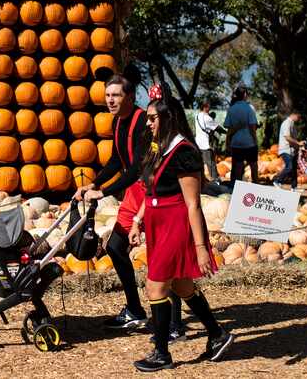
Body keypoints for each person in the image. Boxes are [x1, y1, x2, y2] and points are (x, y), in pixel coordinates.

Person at [129, 83, 233, 372]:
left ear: (169, 118)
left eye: (152, 118)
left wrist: (201, 248)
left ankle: (162, 353)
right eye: (148, 118)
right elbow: (149, 190)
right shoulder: (155, 147)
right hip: (156, 223)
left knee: (155, 285)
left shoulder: (183, 152)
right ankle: (218, 334)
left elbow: (193, 204)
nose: (147, 123)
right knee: (181, 285)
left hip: (175, 223)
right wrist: (138, 220)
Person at [75, 74, 185, 340]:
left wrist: (103, 192)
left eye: (116, 95)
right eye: (108, 95)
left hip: (154, 191)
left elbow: (137, 167)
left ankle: (175, 322)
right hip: (134, 192)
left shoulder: (141, 123)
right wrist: (93, 185)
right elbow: (116, 160)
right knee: (115, 246)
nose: (110, 100)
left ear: (130, 97)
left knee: (162, 253)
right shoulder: (117, 122)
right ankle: (135, 310)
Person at [223, 85, 258, 187]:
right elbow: (252, 126)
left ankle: (236, 190)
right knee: (253, 167)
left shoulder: (231, 109)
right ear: (245, 94)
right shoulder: (249, 108)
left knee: (237, 168)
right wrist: (255, 140)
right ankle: (256, 188)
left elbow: (228, 127)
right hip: (249, 142)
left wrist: (228, 142)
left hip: (236, 143)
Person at [272, 110, 302, 191]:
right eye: (298, 117)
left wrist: (298, 147)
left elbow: (293, 138)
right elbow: (287, 137)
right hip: (285, 149)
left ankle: (294, 187)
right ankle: (277, 180)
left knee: (294, 169)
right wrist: (298, 143)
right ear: (294, 115)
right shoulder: (287, 123)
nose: (299, 119)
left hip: (292, 150)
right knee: (290, 167)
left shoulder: (292, 124)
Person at [194, 101, 223, 182]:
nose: (209, 108)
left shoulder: (197, 116)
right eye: (209, 107)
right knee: (210, 163)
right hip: (205, 144)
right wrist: (226, 131)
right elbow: (217, 127)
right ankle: (215, 180)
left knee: (201, 163)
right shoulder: (207, 118)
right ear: (205, 107)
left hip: (198, 143)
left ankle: (201, 180)